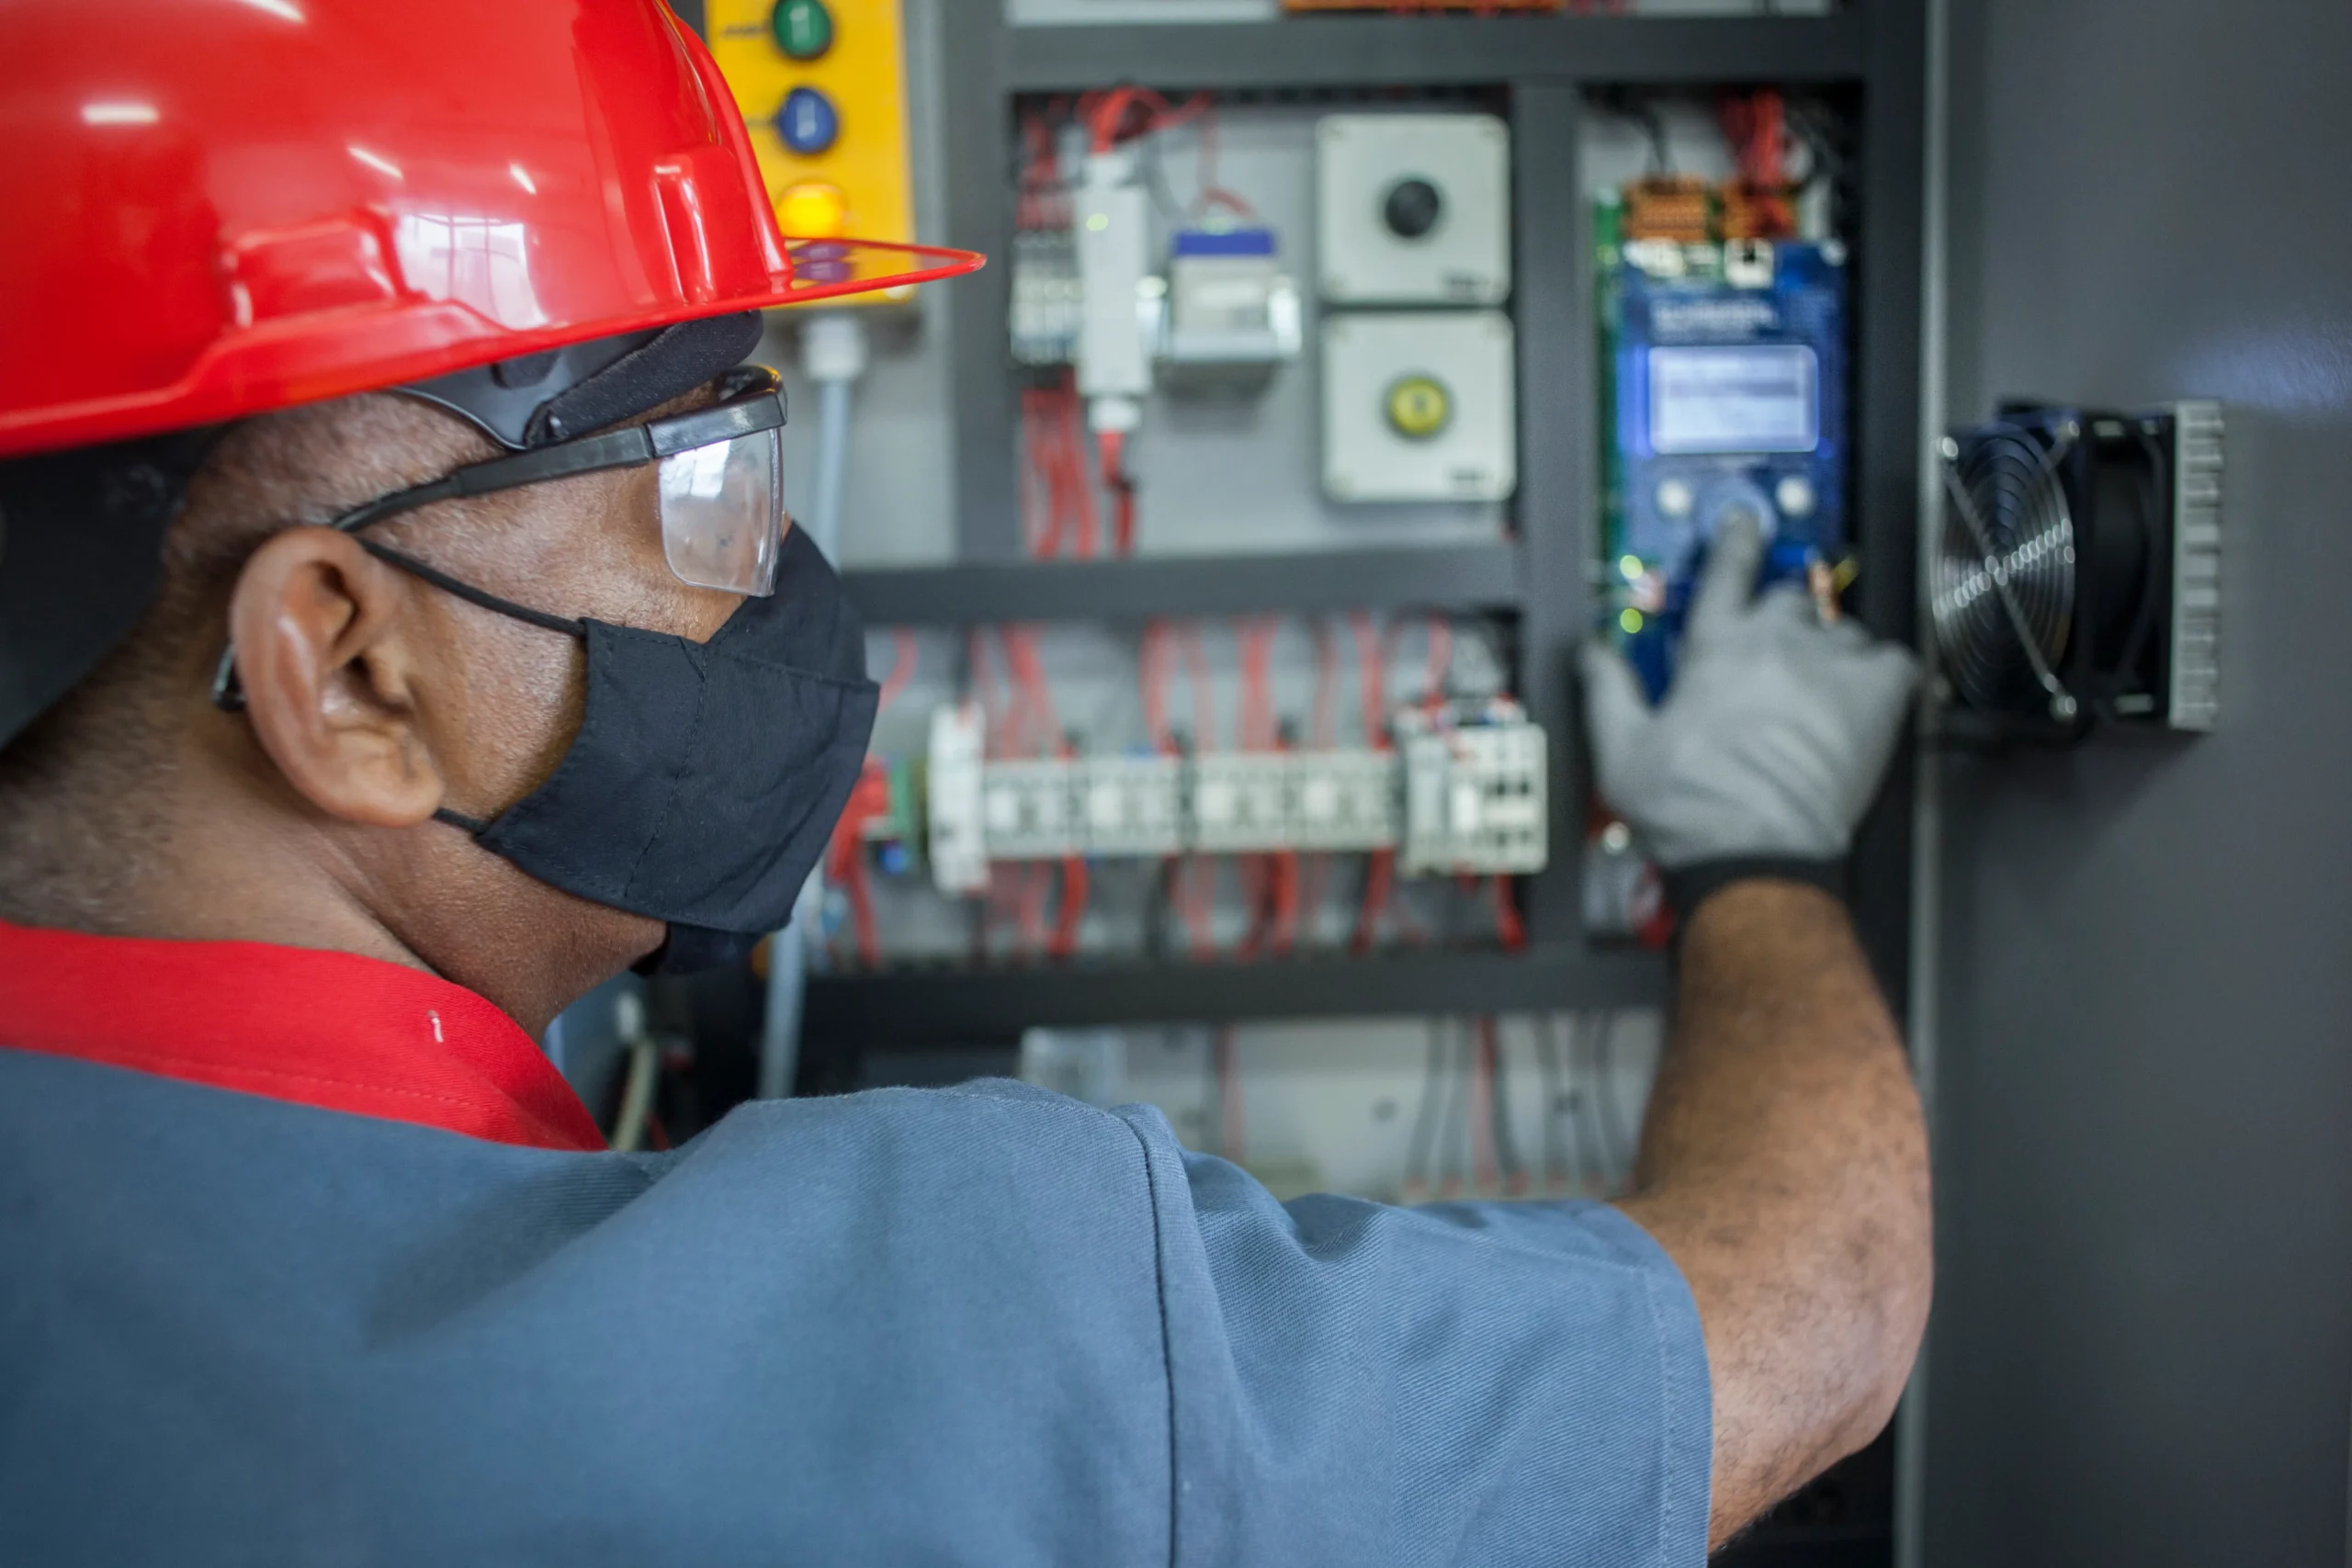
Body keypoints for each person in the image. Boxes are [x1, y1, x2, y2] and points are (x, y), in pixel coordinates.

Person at [0, 3, 1928, 1562]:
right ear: (342, 668)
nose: (766, 577)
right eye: (708, 489)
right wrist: (1752, 841)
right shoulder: (966, 1332)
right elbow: (1804, 1328)